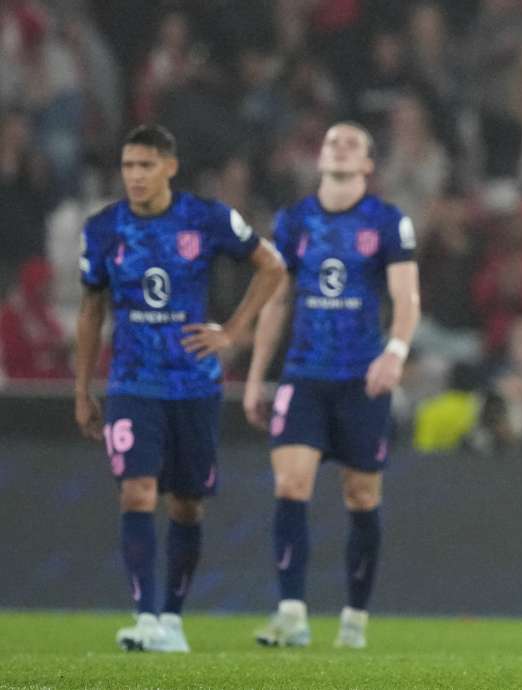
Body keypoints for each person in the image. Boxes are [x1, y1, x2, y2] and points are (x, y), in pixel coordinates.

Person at [74, 124, 285, 652]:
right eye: (128, 166)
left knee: (187, 506)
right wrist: (82, 388)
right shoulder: (103, 228)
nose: (136, 176)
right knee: (137, 491)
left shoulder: (206, 218)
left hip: (193, 383)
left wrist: (233, 333)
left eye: (146, 165)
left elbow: (272, 266)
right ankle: (144, 618)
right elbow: (91, 308)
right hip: (132, 382)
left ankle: (171, 619)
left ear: (170, 166)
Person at [243, 121, 421, 649]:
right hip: (304, 374)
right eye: (330, 141)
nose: (338, 146)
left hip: (362, 378)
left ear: (368, 164)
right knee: (291, 484)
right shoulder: (294, 221)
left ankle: (354, 618)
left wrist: (395, 350)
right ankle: (292, 613)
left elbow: (407, 298)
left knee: (361, 494)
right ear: (319, 158)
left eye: (352, 143)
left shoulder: (387, 221)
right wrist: (256, 376)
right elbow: (277, 300)